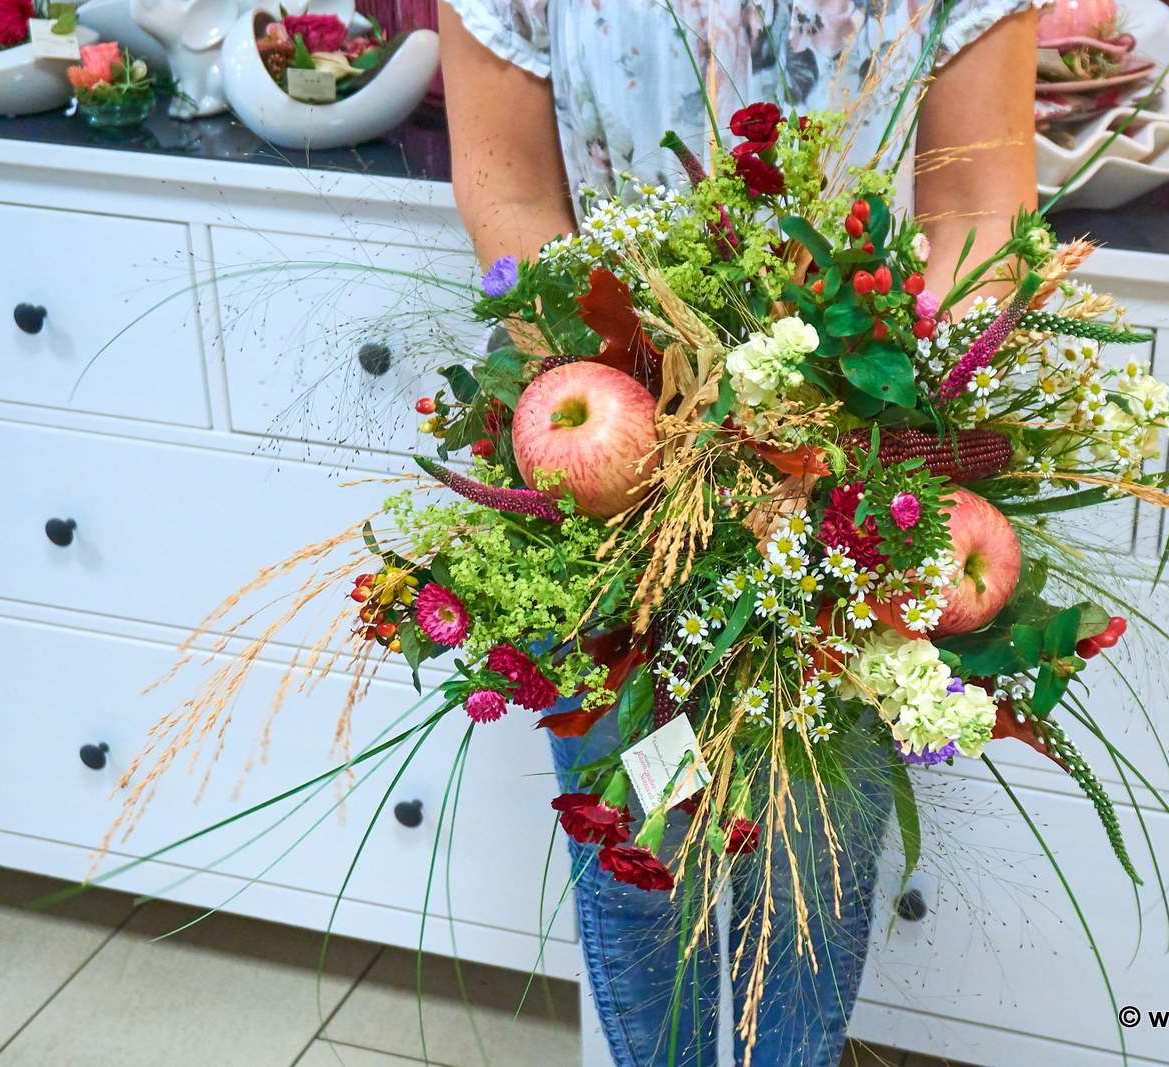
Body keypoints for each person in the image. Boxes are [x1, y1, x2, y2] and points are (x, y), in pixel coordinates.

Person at [437, 3, 1045, 1064]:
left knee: (800, 871)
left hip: (852, 477)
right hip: (615, 487)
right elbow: (513, 187)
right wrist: (632, 415)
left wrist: (874, 421)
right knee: (653, 848)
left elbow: (982, 203)